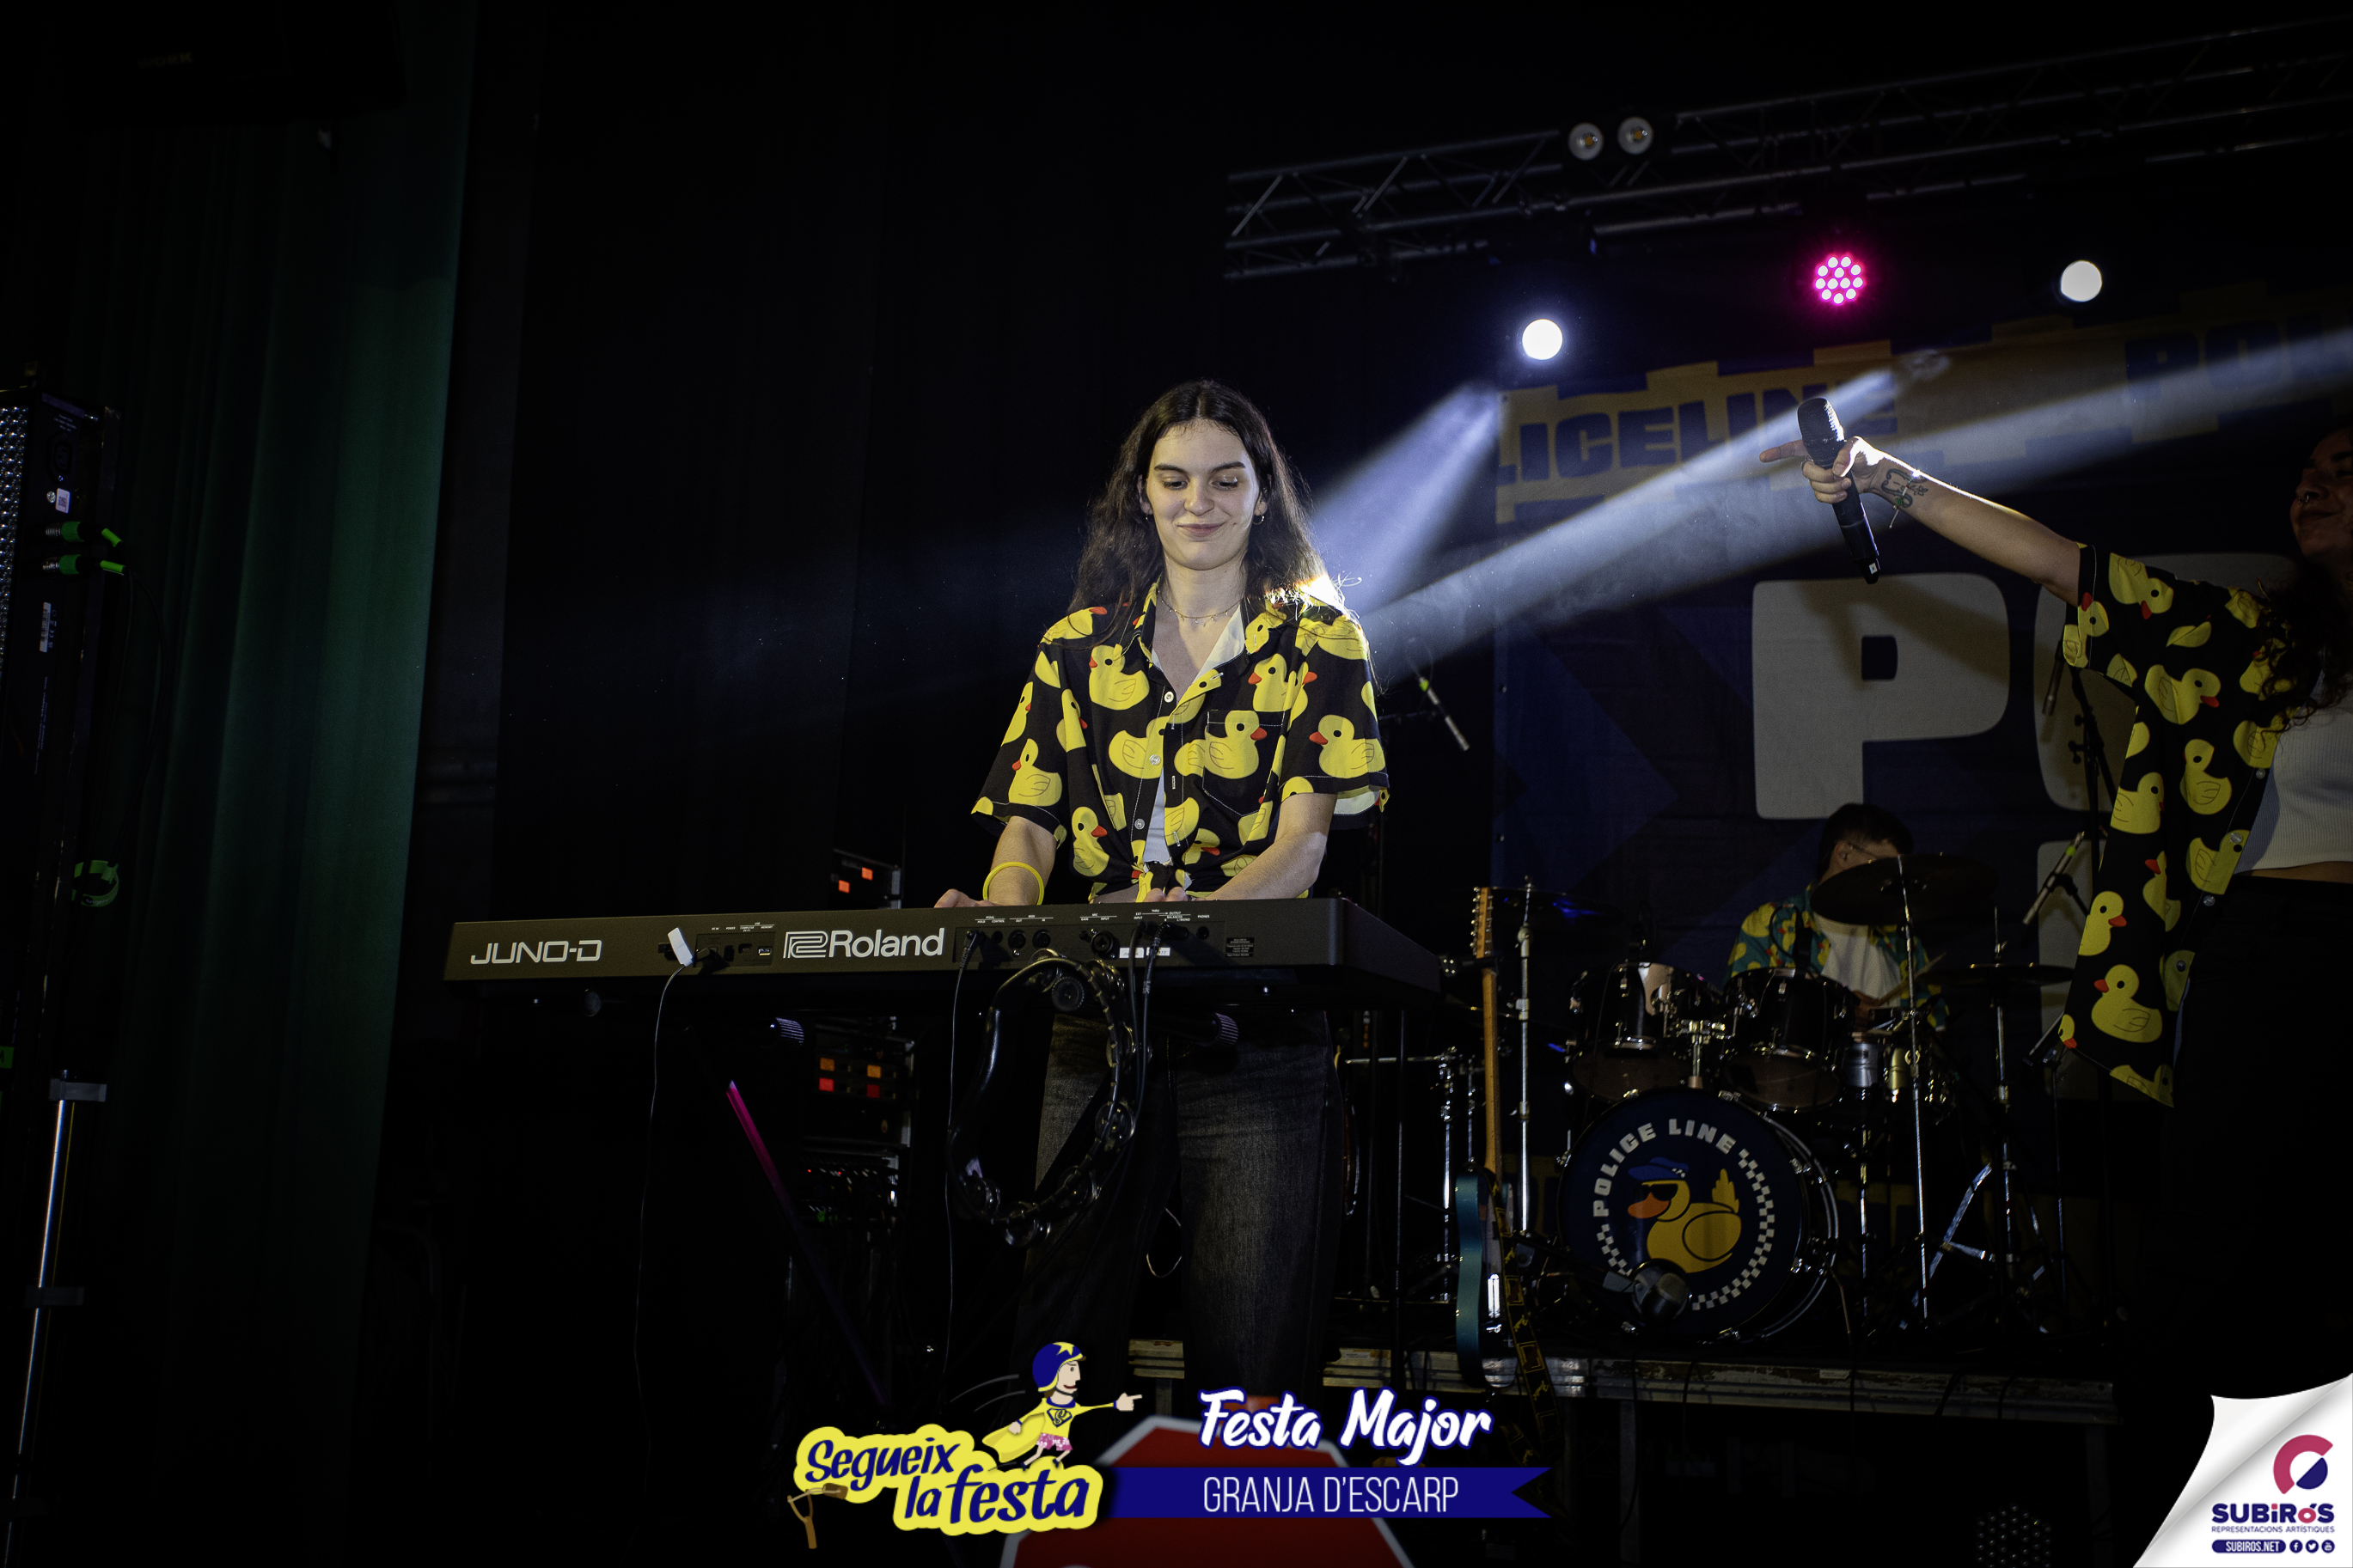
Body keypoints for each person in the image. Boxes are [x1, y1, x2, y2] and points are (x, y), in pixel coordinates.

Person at [1758, 423, 2351, 1400]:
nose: (2311, 489)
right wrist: (1884, 475)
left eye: (2343, 472)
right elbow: (2057, 562)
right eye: (2305, 474)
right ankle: (2197, 1481)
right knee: (2225, 1273)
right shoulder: (2248, 640)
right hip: (2273, 961)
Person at [937, 380, 1387, 1421]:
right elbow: (1026, 830)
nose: (1198, 503)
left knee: (1250, 1361)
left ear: (1262, 494)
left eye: (1225, 481)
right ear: (1139, 494)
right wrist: (1007, 912)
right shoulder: (1075, 646)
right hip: (1095, 1023)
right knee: (1055, 1351)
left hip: (1253, 1026)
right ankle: (1055, 1509)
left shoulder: (1318, 640)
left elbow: (1300, 848)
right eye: (1174, 480)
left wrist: (1188, 931)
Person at [1726, 801, 1944, 1021]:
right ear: (1844, 853)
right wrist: (1839, 1012)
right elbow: (1741, 1017)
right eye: (1884, 866)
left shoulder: (1900, 935)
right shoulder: (1772, 923)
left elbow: (1934, 1025)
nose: (1891, 879)